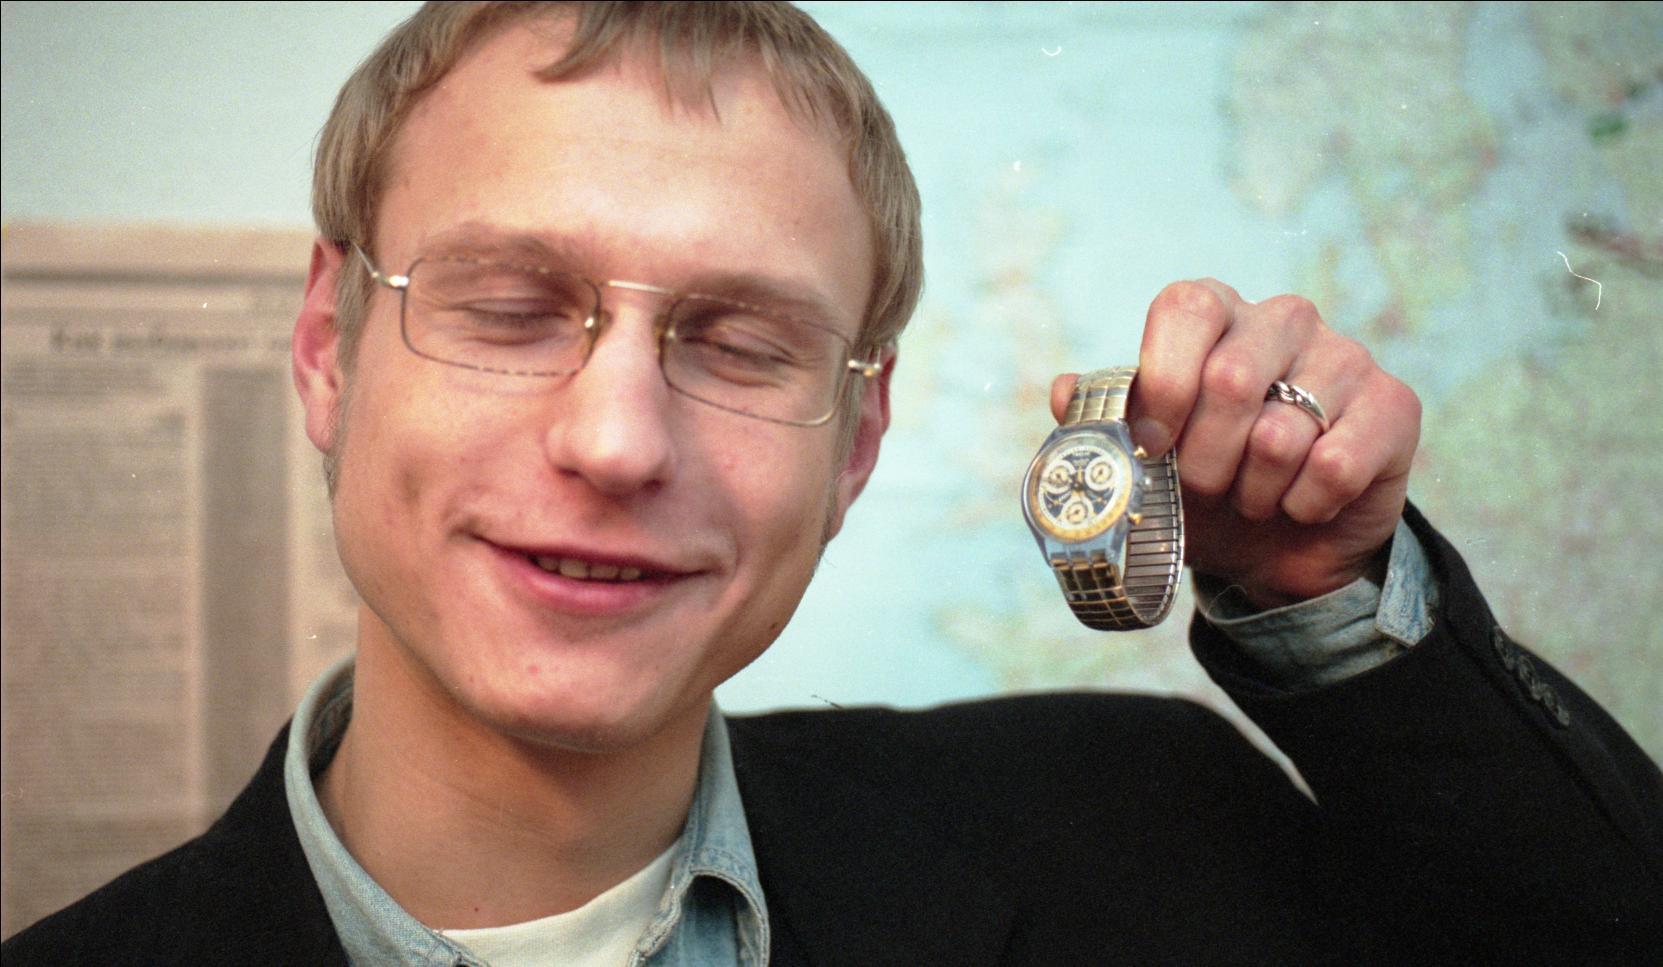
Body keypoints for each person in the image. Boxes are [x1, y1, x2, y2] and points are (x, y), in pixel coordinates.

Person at [5, 3, 1658, 964]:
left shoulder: (1141, 829)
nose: (616, 442)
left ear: (858, 442)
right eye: (509, 307)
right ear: (327, 347)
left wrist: (1322, 605)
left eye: (740, 343)